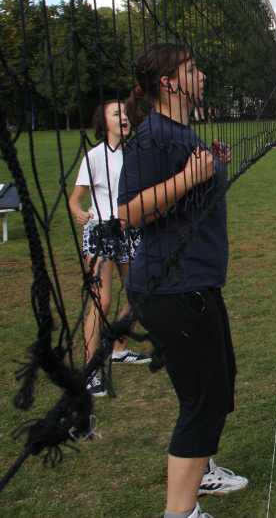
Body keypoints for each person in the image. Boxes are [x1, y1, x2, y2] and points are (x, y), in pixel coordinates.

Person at [118, 44, 247, 518]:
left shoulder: (179, 133)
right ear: (170, 82)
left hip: (192, 281)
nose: (203, 75)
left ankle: (202, 469)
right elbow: (128, 213)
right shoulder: (152, 136)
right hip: (173, 287)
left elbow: (184, 199)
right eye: (193, 69)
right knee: (204, 400)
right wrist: (189, 179)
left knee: (214, 385)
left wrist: (211, 166)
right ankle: (180, 513)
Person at [69, 100, 149, 398]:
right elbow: (75, 199)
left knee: (138, 293)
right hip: (101, 233)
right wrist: (78, 211)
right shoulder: (95, 156)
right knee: (101, 302)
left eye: (126, 113)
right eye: (117, 114)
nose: (124, 117)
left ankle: (118, 348)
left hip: (128, 231)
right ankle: (89, 371)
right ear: (104, 122)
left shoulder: (134, 153)